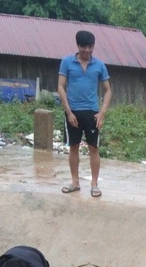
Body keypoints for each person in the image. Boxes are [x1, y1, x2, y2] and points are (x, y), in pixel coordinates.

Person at [58, 30, 112, 198]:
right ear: (78, 46)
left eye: (90, 47)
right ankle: (75, 182)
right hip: (72, 112)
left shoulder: (99, 65)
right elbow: (60, 86)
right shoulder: (67, 62)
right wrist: (68, 112)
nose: (87, 50)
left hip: (92, 113)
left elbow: (108, 90)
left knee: (93, 148)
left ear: (93, 46)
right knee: (73, 147)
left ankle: (94, 184)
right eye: (84, 46)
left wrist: (102, 113)